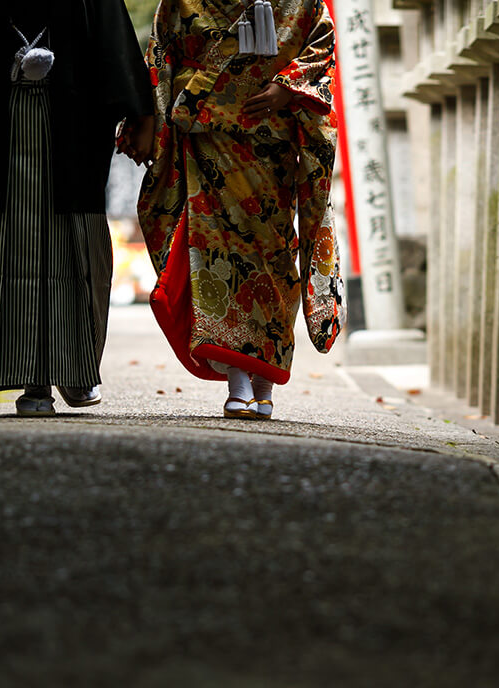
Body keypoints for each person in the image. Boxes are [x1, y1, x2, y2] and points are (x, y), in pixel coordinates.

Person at [0, 0, 153, 416]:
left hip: (72, 121)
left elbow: (110, 28)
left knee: (73, 246)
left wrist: (140, 115)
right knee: (8, 250)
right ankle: (34, 381)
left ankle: (75, 366)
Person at [122, 0, 344, 420]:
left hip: (271, 146)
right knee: (220, 259)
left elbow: (321, 47)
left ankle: (263, 379)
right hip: (207, 145)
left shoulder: (300, 3)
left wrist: (287, 87)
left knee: (274, 259)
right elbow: (160, 57)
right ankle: (240, 379)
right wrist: (148, 123)